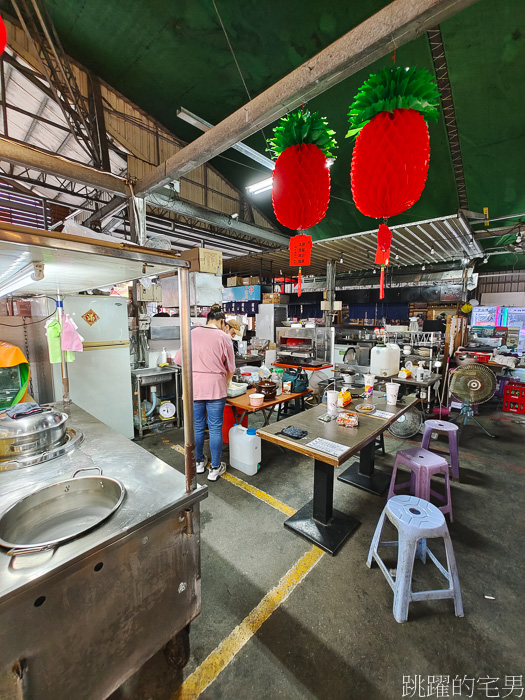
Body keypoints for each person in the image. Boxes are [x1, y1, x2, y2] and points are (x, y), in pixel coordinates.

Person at [174, 304, 235, 481]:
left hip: (193, 388)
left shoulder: (191, 334)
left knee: (198, 427)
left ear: (207, 319)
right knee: (216, 428)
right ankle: (215, 468)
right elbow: (230, 368)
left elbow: (179, 361)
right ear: (222, 322)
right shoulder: (224, 337)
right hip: (216, 387)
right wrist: (225, 382)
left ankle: (199, 463)